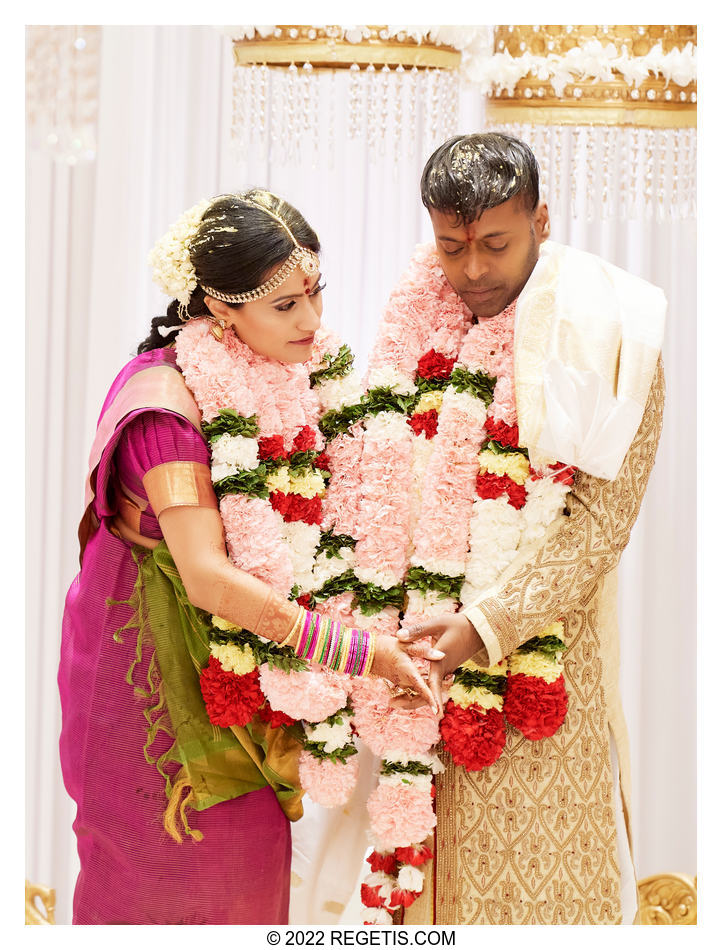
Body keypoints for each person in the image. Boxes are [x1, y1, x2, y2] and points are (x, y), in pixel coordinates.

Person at [57, 189, 438, 925]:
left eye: (315, 293)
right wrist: (358, 651)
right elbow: (204, 576)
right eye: (286, 305)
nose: (313, 321)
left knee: (253, 872)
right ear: (221, 308)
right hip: (152, 686)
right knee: (167, 874)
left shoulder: (283, 378)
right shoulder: (164, 409)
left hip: (241, 687)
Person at [359, 133, 666, 924]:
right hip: (413, 680)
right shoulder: (412, 329)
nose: (472, 271)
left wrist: (481, 626)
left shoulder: (610, 337)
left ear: (543, 222)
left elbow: (600, 527)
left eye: (496, 244)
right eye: (451, 246)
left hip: (538, 689)